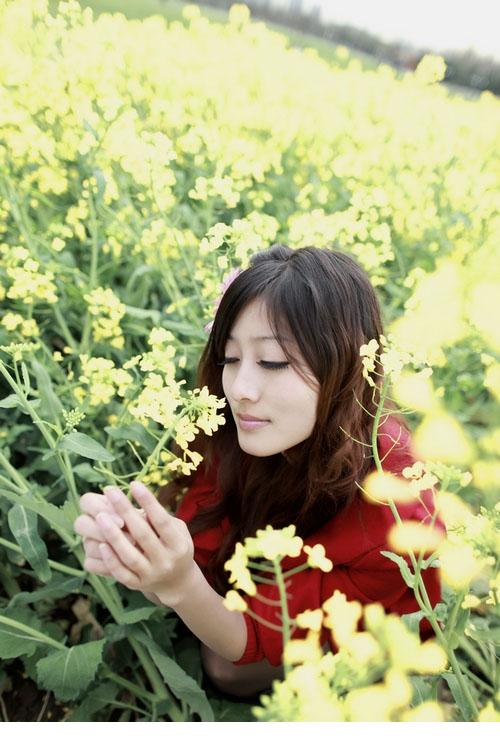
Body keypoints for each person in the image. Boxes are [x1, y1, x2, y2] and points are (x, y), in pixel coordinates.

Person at [74, 244, 445, 698]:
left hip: (375, 635)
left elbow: (243, 640)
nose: (241, 389)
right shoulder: (233, 425)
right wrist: (144, 559)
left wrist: (179, 584)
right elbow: (201, 550)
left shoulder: (396, 509)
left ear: (349, 364)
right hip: (264, 577)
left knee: (223, 669)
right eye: (230, 358)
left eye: (273, 362)